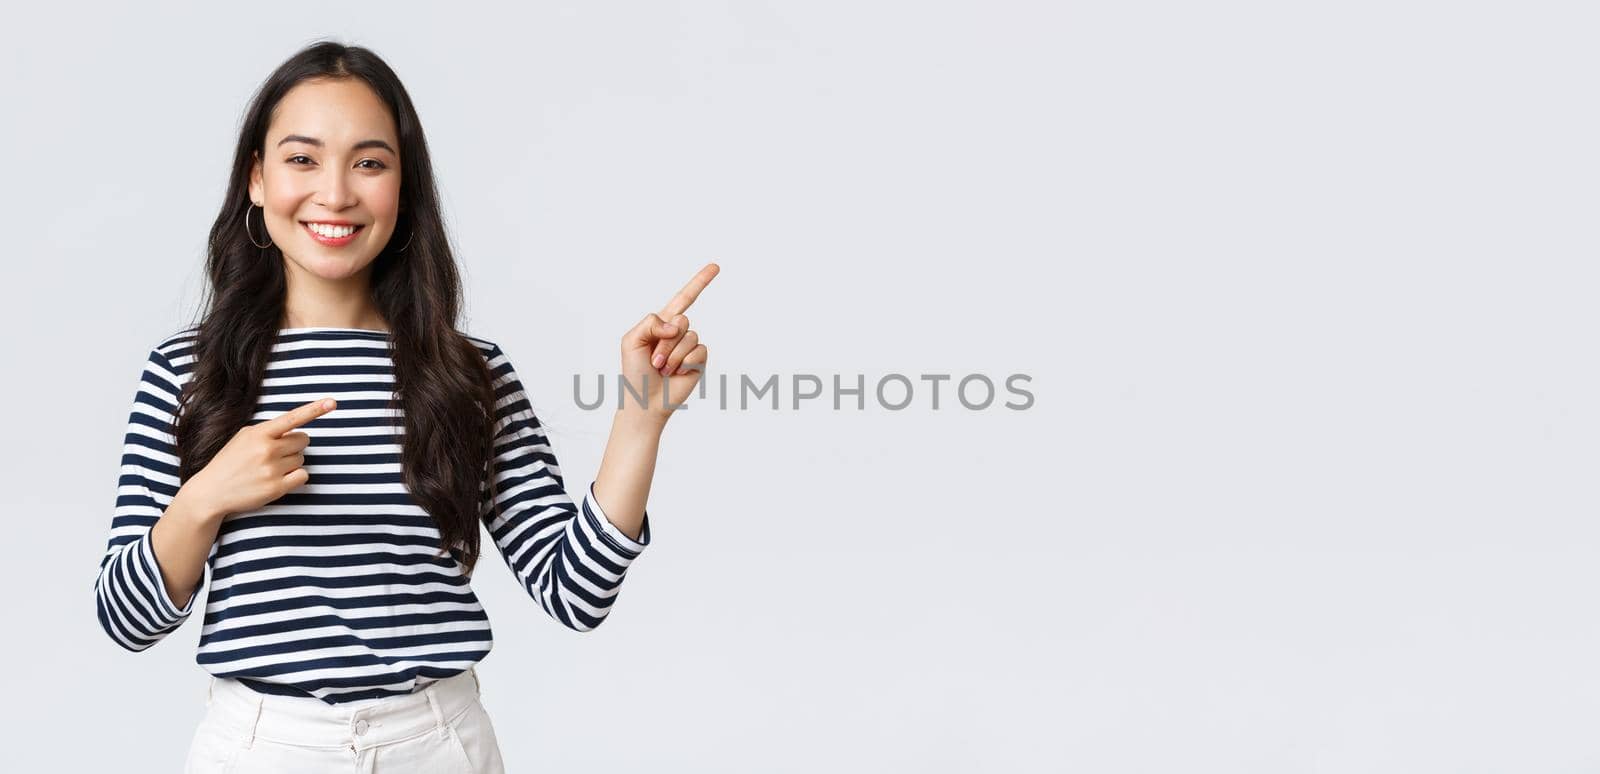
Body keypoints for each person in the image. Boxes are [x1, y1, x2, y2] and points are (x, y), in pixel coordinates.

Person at [91, 40, 716, 773]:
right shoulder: (188, 374)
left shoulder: (465, 373)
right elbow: (125, 620)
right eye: (302, 159)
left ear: (403, 187)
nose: (335, 193)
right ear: (256, 179)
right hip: (259, 749)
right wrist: (204, 499)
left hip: (438, 745)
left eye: (370, 162)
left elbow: (574, 591)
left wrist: (641, 416)